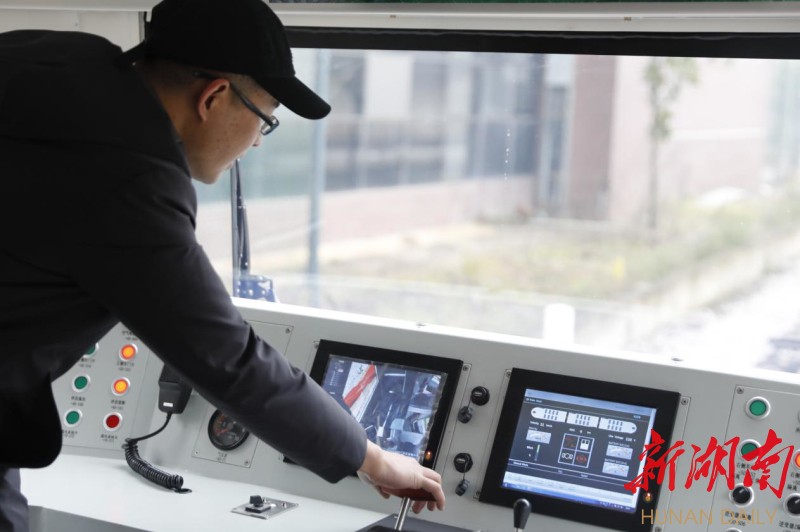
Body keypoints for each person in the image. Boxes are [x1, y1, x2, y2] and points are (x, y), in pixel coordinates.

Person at [0, 0, 445, 530]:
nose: (256, 141)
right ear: (212, 97)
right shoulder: (131, 180)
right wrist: (371, 459)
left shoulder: (55, 57)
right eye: (265, 120)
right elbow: (227, 359)